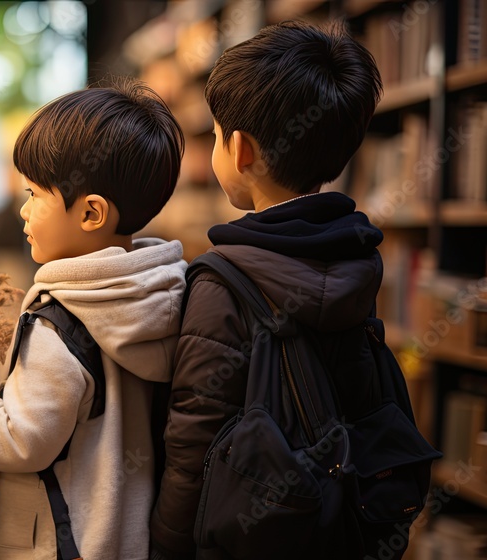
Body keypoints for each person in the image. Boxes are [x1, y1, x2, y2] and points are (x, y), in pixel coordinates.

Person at [150, 20, 384, 559]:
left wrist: (165, 546)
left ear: (241, 149)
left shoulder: (222, 280)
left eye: (212, 134)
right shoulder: (356, 258)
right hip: (337, 521)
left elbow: (192, 445)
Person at [0, 79, 187, 559]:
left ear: (91, 214)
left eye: (34, 194)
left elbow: (22, 440)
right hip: (129, 538)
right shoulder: (165, 292)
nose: (23, 209)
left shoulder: (59, 323)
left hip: (59, 542)